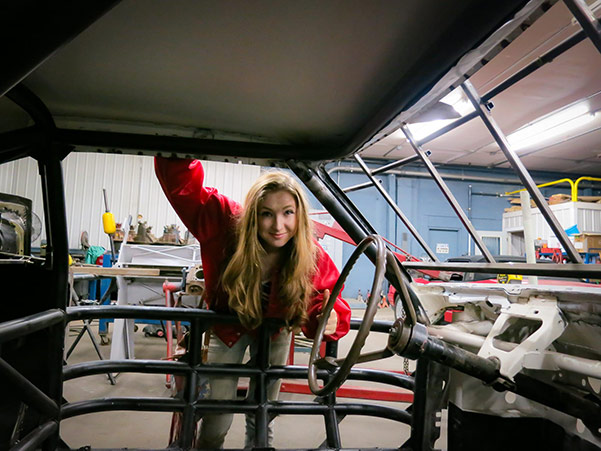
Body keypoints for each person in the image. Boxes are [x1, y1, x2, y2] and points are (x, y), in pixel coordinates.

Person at [155, 157, 351, 448]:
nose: (278, 225)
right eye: (266, 214)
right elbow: (184, 188)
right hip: (227, 327)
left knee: (263, 412)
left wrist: (329, 315)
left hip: (276, 331)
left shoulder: (311, 254)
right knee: (216, 416)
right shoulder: (225, 223)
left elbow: (326, 297)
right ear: (253, 214)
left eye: (288, 213)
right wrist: (181, 145)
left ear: (299, 215)